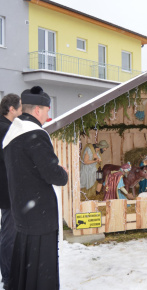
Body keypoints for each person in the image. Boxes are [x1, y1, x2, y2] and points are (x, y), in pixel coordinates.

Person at [3, 86, 68, 290]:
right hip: (39, 217)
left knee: (26, 267)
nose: (48, 114)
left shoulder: (12, 134)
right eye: (48, 110)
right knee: (41, 270)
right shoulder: (35, 135)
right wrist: (62, 172)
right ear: (38, 110)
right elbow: (51, 174)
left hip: (23, 213)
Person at [0, 94, 22, 289]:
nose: (22, 111)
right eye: (20, 108)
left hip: (6, 188)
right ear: (12, 109)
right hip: (7, 189)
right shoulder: (6, 131)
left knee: (9, 232)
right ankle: (8, 278)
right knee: (9, 235)